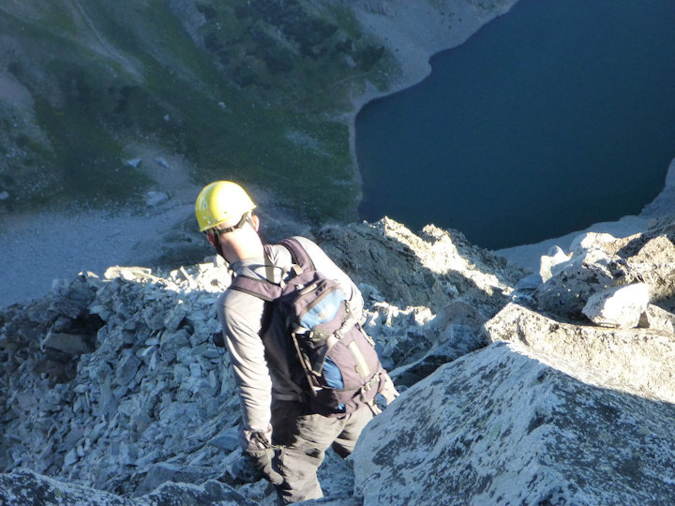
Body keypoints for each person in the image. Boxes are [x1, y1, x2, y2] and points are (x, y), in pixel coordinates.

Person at [195, 181, 396, 504]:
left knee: (296, 480)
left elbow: (254, 380)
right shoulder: (301, 249)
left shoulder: (235, 303)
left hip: (302, 412)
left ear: (211, 239)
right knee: (383, 466)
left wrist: (256, 440)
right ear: (254, 221)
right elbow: (353, 302)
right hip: (358, 386)